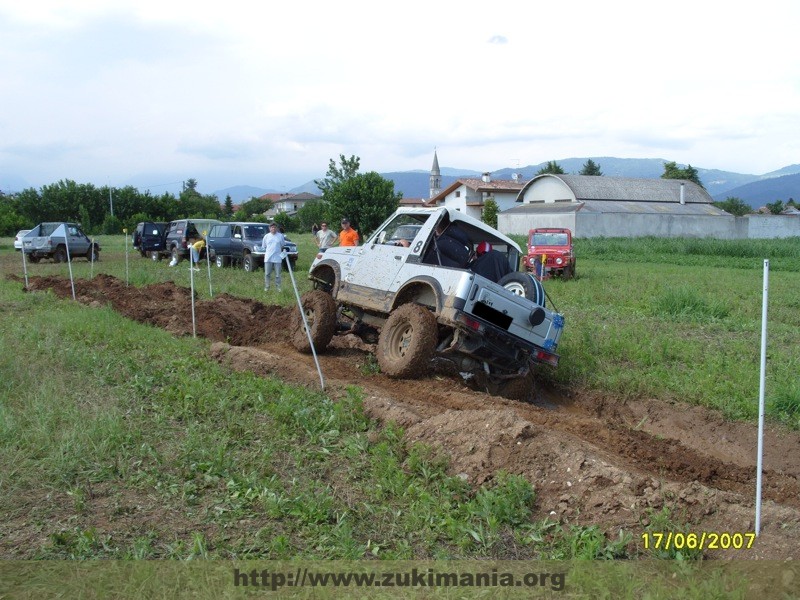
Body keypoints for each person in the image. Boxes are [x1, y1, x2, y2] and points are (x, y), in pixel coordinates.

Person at [261, 222, 286, 292]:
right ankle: (267, 287)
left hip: (277, 258)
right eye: (272, 227)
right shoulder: (266, 236)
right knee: (267, 274)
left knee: (278, 274)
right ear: (269, 228)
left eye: (275, 227)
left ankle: (278, 288)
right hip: (268, 258)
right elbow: (264, 246)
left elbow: (282, 245)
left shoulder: (280, 236)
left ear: (277, 228)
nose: (273, 229)